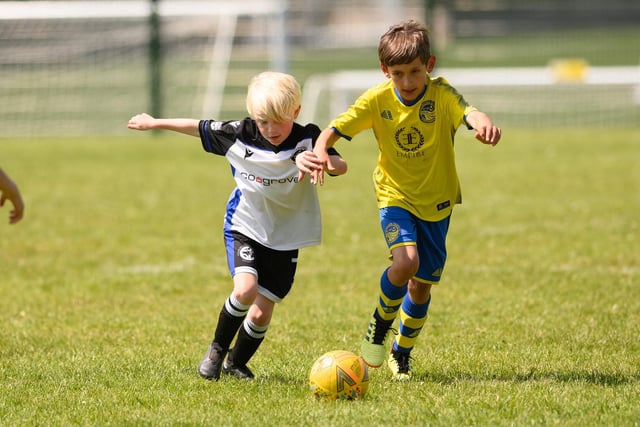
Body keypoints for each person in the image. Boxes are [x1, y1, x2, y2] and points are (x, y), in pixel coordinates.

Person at [311, 20, 501, 380]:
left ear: (429, 65)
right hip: (394, 194)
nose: (409, 82)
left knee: (421, 284)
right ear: (386, 72)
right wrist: (321, 151)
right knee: (405, 262)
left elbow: (469, 112)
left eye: (415, 72)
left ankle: (402, 352)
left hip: (438, 201)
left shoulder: (441, 94)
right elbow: (333, 131)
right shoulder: (376, 99)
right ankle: (379, 328)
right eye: (399, 74)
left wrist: (483, 123)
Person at [128, 71, 347, 381]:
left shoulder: (308, 137)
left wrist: (318, 158)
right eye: (262, 121)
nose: (270, 129)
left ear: (296, 112)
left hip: (286, 235)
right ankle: (216, 350)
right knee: (244, 290)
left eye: (279, 120)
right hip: (244, 224)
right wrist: (155, 122)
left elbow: (341, 166)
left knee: (262, 311)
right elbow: (197, 126)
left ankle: (236, 362)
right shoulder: (239, 133)